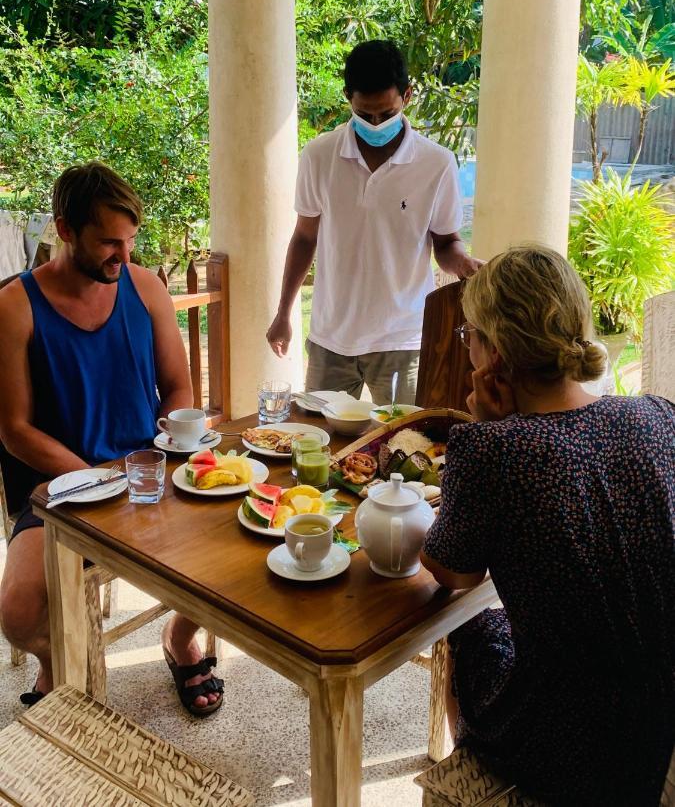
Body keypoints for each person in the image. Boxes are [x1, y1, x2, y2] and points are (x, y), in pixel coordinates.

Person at [421, 246, 674, 806]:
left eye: (470, 338)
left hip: (565, 753)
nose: (468, 352)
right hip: (656, 727)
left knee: (469, 627)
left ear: (494, 354)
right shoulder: (655, 416)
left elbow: (449, 571)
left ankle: (470, 759)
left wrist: (487, 427)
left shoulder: (495, 450)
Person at [0, 162, 224, 716]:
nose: (124, 258)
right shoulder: (14, 306)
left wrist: (162, 456)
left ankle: (178, 638)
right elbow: (14, 428)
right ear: (65, 230)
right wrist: (92, 478)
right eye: (109, 244)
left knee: (234, 547)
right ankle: (62, 661)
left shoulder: (144, 287)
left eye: (130, 242)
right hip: (62, 483)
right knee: (19, 613)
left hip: (149, 466)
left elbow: (177, 387)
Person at [267, 39, 481, 405]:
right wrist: (284, 312)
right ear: (348, 97)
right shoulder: (319, 156)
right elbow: (305, 237)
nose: (377, 123)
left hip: (404, 339)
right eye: (365, 114)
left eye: (386, 113)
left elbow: (445, 243)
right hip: (331, 338)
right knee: (322, 445)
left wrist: (462, 262)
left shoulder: (437, 163)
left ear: (407, 96)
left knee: (408, 445)